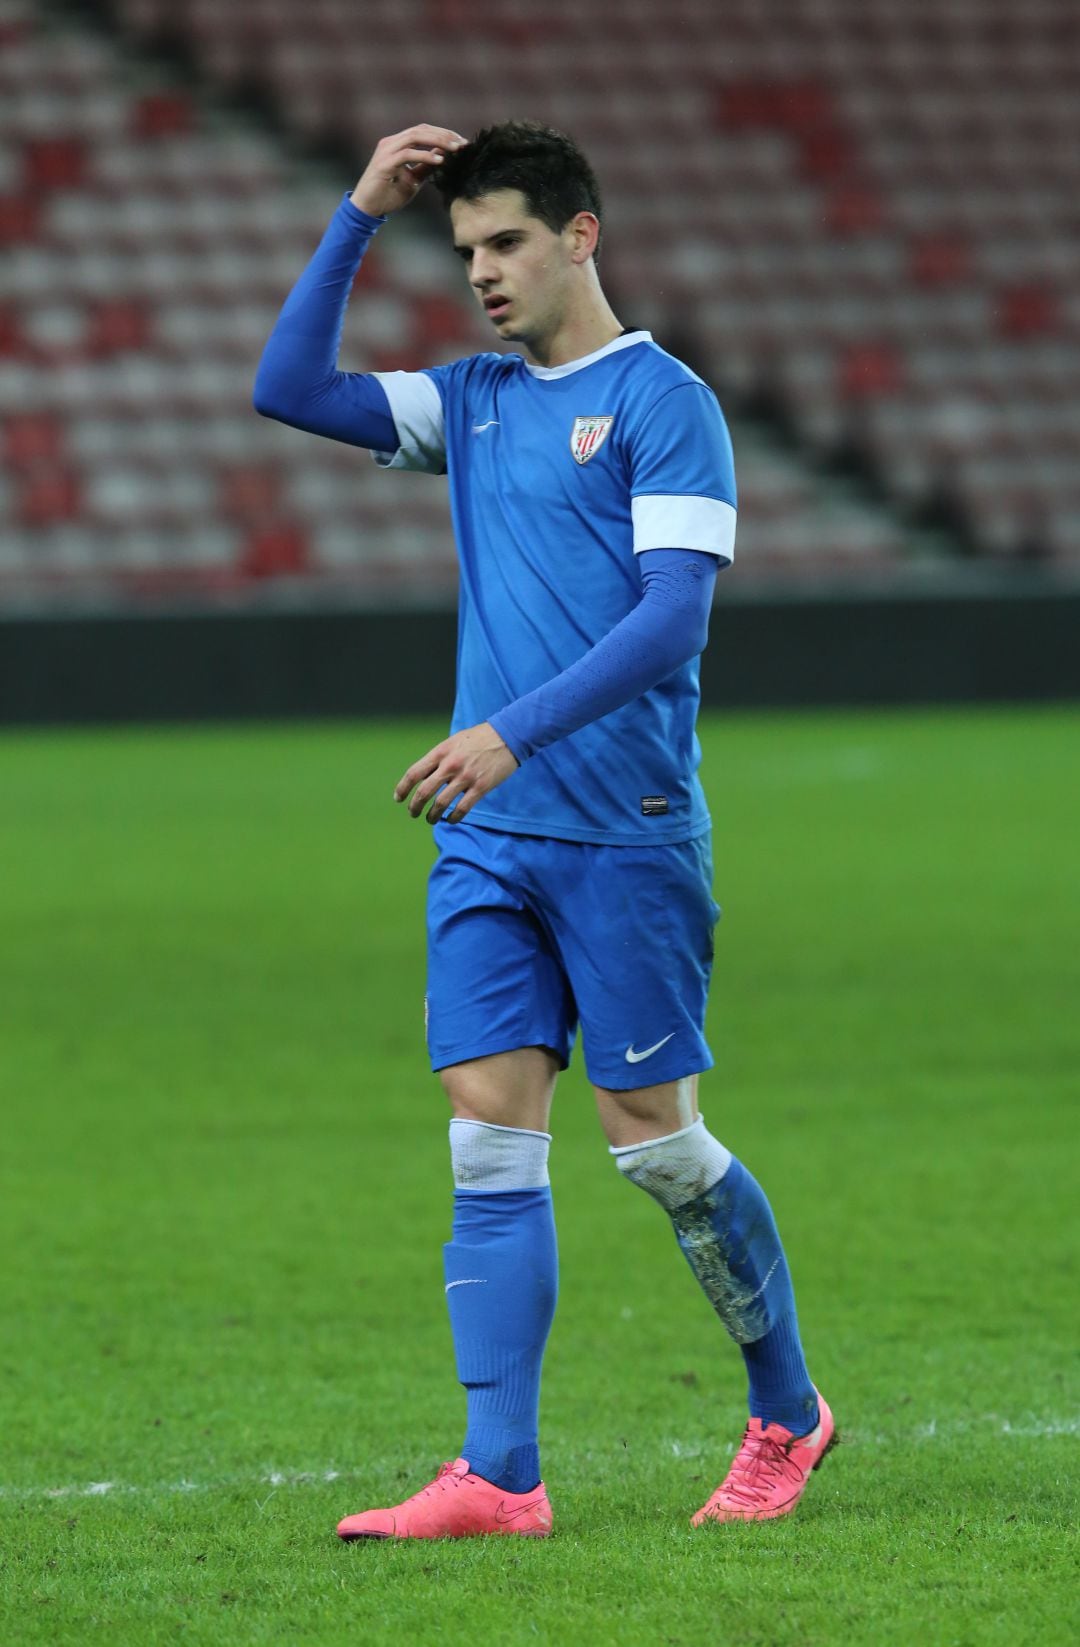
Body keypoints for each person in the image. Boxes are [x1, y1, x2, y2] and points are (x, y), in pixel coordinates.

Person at [254, 121, 836, 1540]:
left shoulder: (662, 401)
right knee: (488, 1135)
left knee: (655, 1146)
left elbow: (673, 617)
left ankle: (787, 1408)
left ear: (582, 233)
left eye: (506, 241)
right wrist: (357, 213)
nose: (484, 275)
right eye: (464, 252)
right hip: (488, 844)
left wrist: (512, 730)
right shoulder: (476, 401)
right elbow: (288, 388)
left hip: (624, 832)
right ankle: (499, 1476)